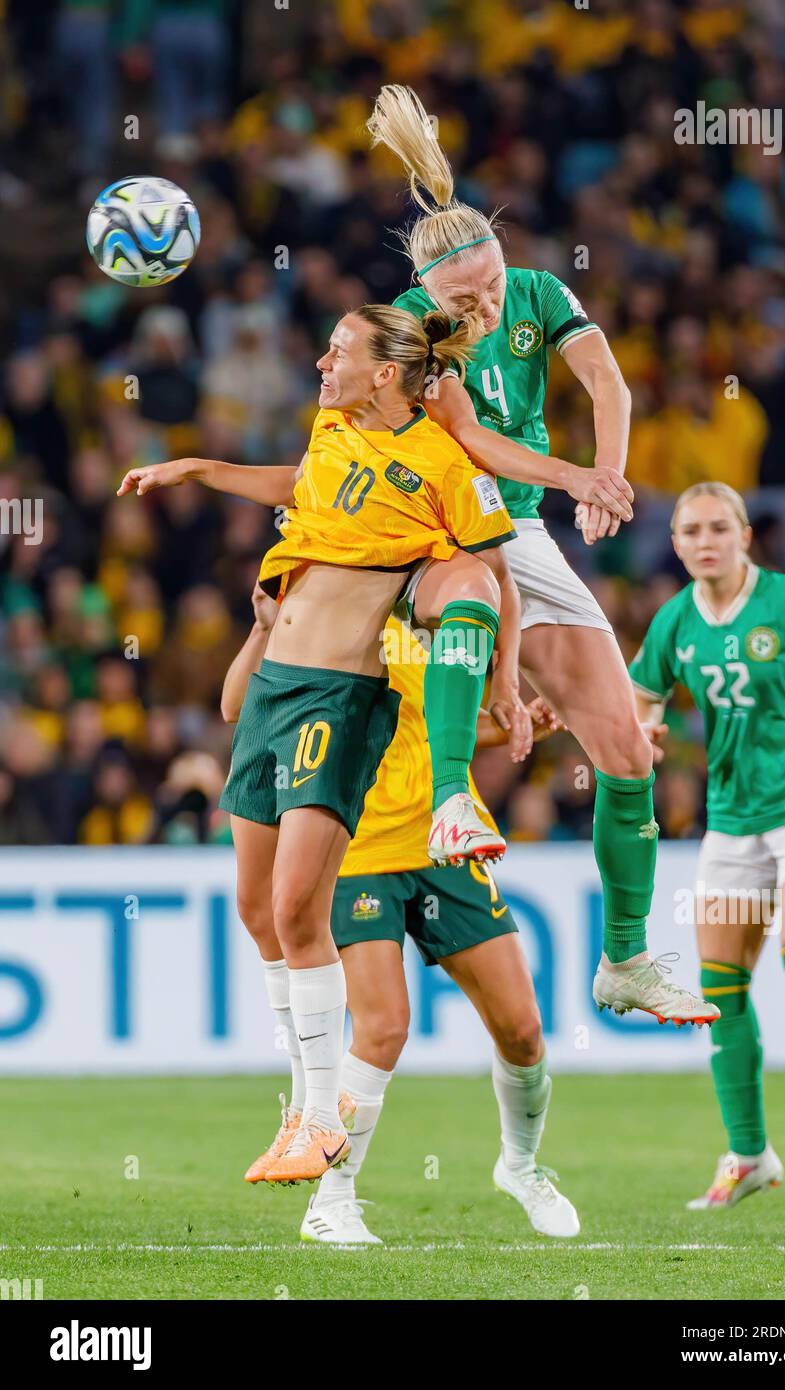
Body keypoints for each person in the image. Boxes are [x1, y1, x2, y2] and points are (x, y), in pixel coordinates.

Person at [118, 303, 530, 1183]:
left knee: (301, 908)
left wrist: (504, 678)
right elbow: (299, 483)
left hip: (340, 696)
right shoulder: (333, 427)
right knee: (257, 910)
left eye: (337, 351)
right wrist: (198, 469)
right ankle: (300, 1110)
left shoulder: (442, 465)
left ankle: (316, 1119)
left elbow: (494, 573)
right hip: (274, 688)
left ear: (387, 371)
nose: (319, 360)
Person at [366, 84, 715, 1026]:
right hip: (434, 529)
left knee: (628, 752)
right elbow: (475, 443)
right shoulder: (408, 327)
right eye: (461, 298)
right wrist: (576, 480)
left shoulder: (536, 292)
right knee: (459, 662)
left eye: (489, 286)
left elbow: (604, 376)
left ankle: (627, 961)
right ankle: (443, 798)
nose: (480, 306)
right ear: (427, 293)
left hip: (517, 529)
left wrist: (608, 472)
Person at [223, 596, 579, 1243]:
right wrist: (263, 627)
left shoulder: (417, 626)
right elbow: (245, 710)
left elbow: (439, 725)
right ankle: (331, 1199)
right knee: (384, 1028)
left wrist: (520, 721)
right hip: (356, 847)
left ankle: (520, 1167)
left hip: (443, 843)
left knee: (523, 1030)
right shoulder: (324, 619)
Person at [630, 481, 785, 1207]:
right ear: (675, 544)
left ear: (743, 536)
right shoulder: (675, 622)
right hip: (732, 819)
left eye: (718, 529)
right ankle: (749, 1154)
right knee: (722, 990)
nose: (705, 541)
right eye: (691, 531)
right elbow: (644, 698)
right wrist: (646, 730)